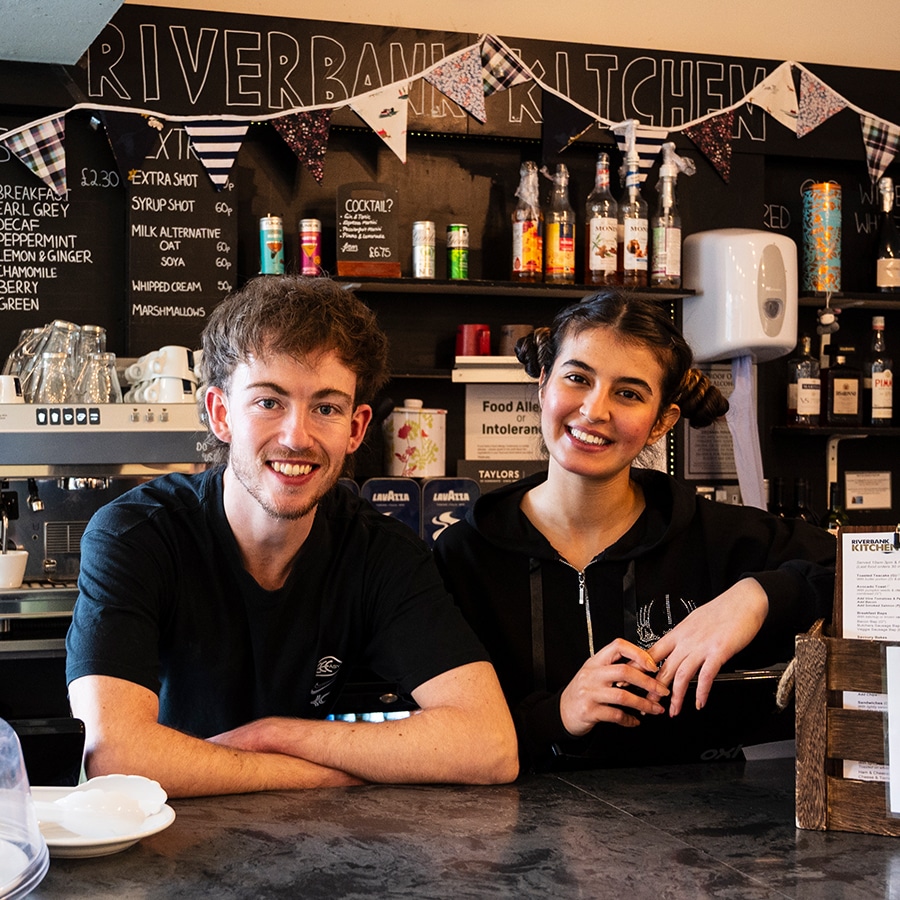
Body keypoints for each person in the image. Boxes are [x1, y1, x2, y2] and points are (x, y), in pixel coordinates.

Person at [66, 276, 518, 797]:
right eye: (268, 402)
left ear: (355, 427)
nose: (296, 438)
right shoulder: (136, 534)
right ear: (220, 413)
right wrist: (331, 771)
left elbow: (490, 744)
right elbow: (116, 757)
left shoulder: (381, 551)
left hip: (316, 851)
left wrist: (274, 733)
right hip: (160, 835)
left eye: (326, 407)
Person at [433, 290, 835, 771]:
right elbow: (441, 727)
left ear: (662, 421)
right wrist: (558, 714)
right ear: (543, 385)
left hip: (702, 832)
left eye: (628, 393)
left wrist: (753, 599)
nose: (594, 411)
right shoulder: (463, 556)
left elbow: (868, 571)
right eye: (577, 378)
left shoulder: (714, 536)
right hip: (510, 834)